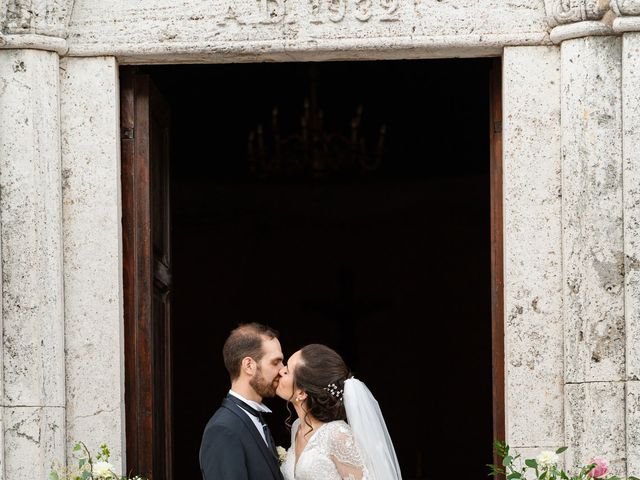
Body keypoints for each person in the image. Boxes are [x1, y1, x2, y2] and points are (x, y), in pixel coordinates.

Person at [276, 344, 402, 480]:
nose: (280, 371)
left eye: (287, 371)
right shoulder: (297, 427)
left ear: (301, 393)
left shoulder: (337, 435)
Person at [199, 322, 285, 480]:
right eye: (275, 362)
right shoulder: (223, 429)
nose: (283, 369)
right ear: (249, 365)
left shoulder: (255, 418)